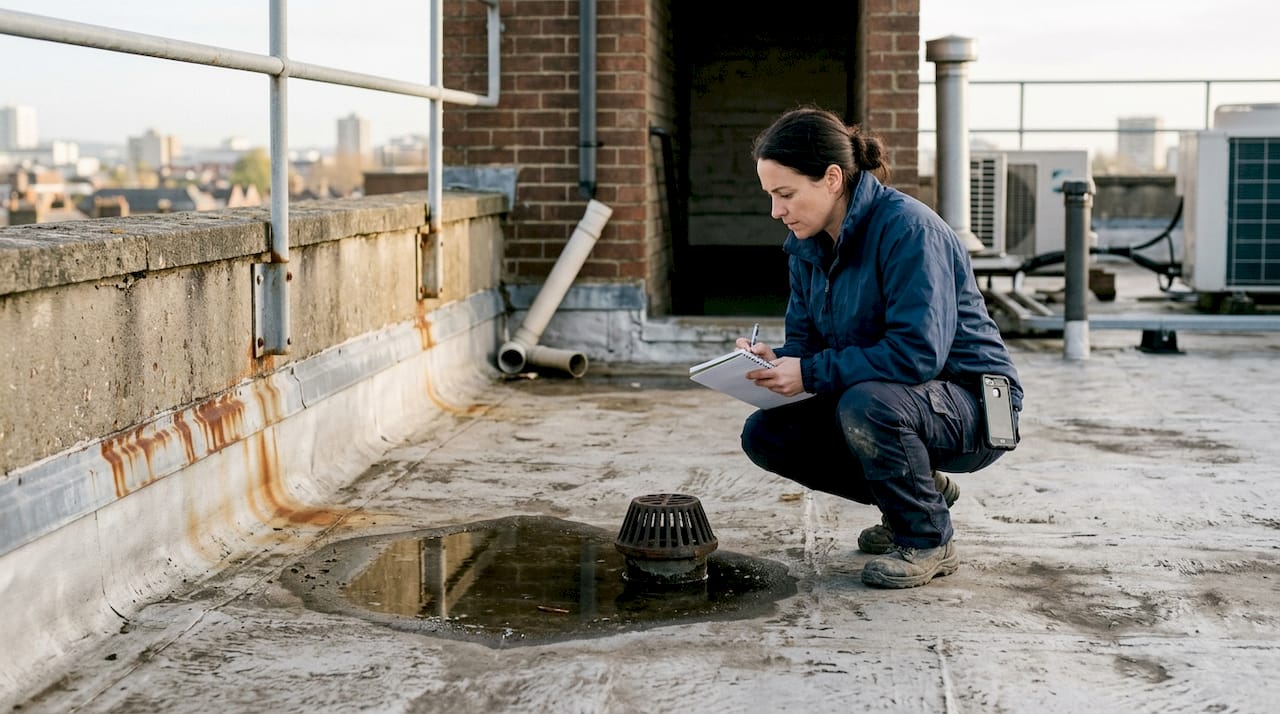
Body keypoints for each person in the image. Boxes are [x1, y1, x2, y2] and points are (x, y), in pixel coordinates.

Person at [736, 105, 1024, 589]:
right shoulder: (806, 247)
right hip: (896, 396)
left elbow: (918, 354)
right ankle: (919, 493)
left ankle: (927, 537)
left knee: (867, 403)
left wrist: (809, 372)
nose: (776, 211)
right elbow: (809, 343)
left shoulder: (909, 230)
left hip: (975, 403)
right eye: (770, 196)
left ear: (831, 178)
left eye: (785, 194)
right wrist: (779, 360)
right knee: (767, 433)